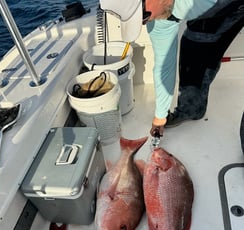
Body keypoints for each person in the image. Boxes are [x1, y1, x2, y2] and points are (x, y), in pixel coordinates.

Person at [100, 0, 244, 138]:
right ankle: (191, 110)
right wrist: (160, 116)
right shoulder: (157, 18)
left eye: (143, 15)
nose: (148, 20)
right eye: (141, 21)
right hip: (214, 9)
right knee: (192, 48)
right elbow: (163, 67)